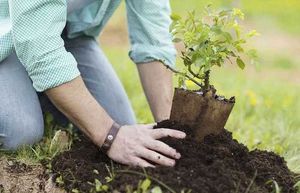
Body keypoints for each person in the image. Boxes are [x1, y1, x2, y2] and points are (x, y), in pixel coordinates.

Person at [0, 0, 186, 167]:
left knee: (122, 126)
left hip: (69, 34)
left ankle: (37, 88)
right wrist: (110, 137)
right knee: (20, 132)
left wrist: (170, 131)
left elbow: (153, 35)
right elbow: (38, 45)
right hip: (6, 31)